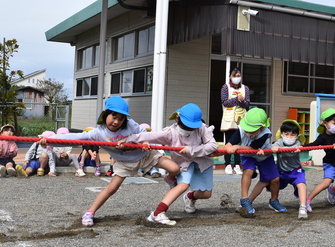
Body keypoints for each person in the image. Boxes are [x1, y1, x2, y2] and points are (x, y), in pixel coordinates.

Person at [45, 96, 180, 227]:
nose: (116, 121)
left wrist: (144, 142)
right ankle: (89, 213)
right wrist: (50, 139)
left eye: (121, 119)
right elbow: (76, 137)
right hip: (124, 161)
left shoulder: (131, 125)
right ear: (105, 115)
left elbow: (145, 134)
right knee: (111, 188)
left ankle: (169, 178)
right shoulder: (98, 133)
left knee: (174, 169)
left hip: (145, 155)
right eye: (114, 116)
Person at [123, 103, 218, 226]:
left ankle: (190, 197)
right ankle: (157, 213)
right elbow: (150, 136)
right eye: (185, 126)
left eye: (191, 128)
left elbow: (212, 145)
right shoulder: (171, 132)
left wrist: (190, 149)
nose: (187, 130)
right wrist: (128, 139)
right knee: (183, 185)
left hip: (202, 162)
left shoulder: (203, 129)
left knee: (206, 194)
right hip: (184, 163)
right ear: (178, 119)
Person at [224, 107, 285, 217]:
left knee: (275, 179)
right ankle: (244, 199)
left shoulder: (265, 133)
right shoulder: (241, 130)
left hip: (264, 156)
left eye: (252, 130)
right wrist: (216, 151)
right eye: (247, 128)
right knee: (248, 170)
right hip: (248, 156)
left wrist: (237, 146)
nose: (248, 132)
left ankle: (274, 201)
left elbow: (253, 148)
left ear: (262, 127)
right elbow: (229, 145)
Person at [268, 120, 308, 219]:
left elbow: (289, 153)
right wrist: (274, 147)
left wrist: (279, 149)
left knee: (301, 184)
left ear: (297, 136)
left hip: (295, 170)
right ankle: (273, 201)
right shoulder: (279, 142)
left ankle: (303, 207)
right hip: (281, 171)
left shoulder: (298, 144)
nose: (289, 137)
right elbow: (272, 147)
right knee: (274, 184)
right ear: (281, 134)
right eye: (286, 134)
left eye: (293, 135)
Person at [220, 67, 250, 175]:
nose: (237, 78)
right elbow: (224, 102)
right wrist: (237, 99)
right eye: (234, 76)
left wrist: (242, 102)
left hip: (241, 118)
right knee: (228, 141)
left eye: (238, 76)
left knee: (239, 142)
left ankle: (237, 165)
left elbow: (247, 104)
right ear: (230, 77)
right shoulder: (225, 87)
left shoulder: (245, 88)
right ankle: (227, 164)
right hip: (229, 119)